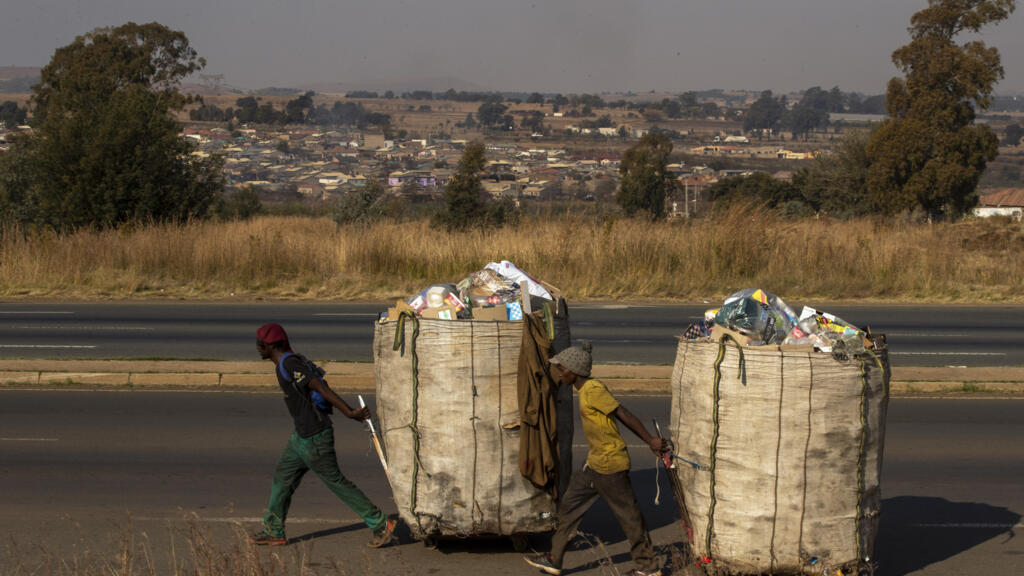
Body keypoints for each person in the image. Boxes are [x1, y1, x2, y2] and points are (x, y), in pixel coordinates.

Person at [248, 323, 396, 548]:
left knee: (337, 483)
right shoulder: (284, 364)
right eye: (258, 343)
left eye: (262, 344)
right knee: (282, 479)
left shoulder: (290, 363)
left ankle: (380, 523)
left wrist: (349, 412)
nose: (258, 347)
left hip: (315, 437)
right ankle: (274, 530)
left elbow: (319, 387)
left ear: (273, 345)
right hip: (301, 437)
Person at [524, 341, 666, 576]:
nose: (560, 373)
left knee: (629, 517)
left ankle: (648, 568)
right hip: (595, 465)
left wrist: (650, 440)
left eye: (561, 369)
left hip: (611, 465)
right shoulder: (582, 391)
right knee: (569, 508)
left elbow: (623, 413)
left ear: (572, 371)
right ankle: (554, 560)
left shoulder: (593, 390)